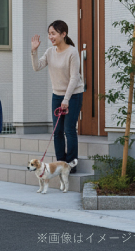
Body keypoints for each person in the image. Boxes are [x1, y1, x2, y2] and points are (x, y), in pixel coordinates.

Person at [31, 20, 84, 172]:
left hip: (73, 95)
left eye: (53, 33)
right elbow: (37, 67)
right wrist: (34, 51)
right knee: (57, 131)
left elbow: (74, 78)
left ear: (63, 34)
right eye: (49, 34)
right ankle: (61, 165)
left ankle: (71, 165)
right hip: (57, 95)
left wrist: (66, 99)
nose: (50, 37)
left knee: (69, 129)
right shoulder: (50, 52)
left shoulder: (72, 52)